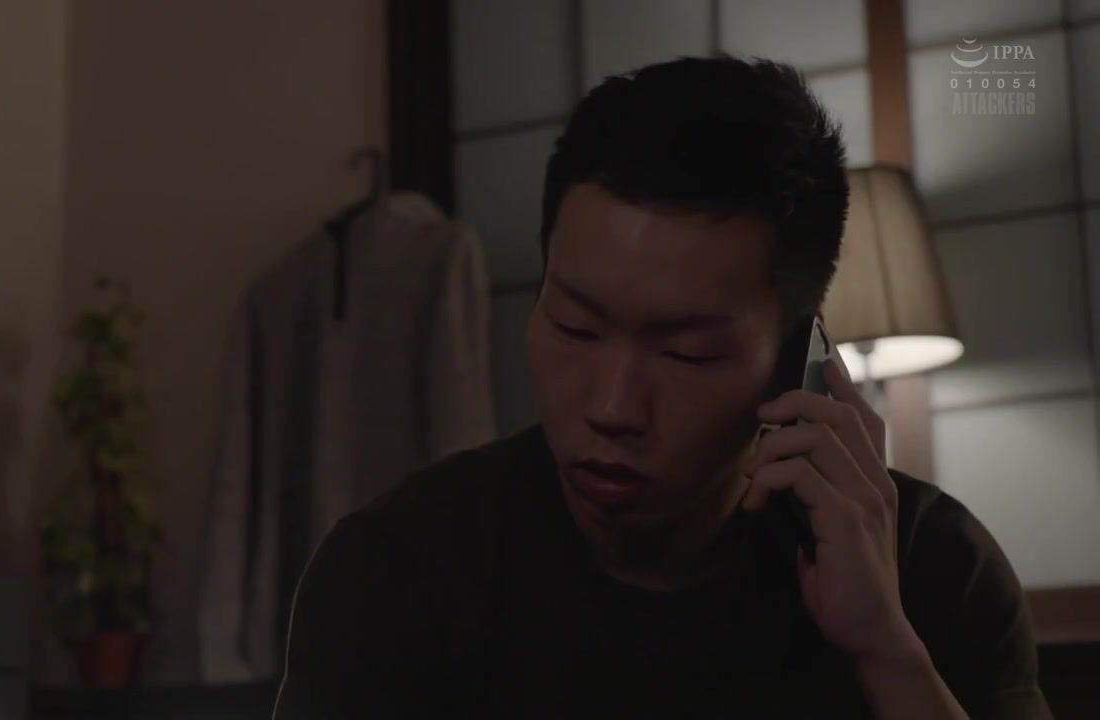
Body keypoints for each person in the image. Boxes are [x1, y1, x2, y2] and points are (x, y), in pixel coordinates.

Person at [271, 57, 1053, 719]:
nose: (611, 408)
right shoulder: (396, 570)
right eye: (575, 328)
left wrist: (884, 648)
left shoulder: (933, 567)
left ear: (796, 359)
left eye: (686, 354)